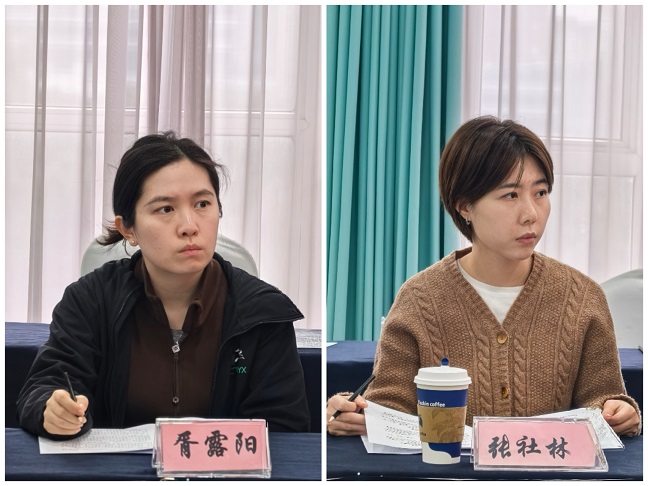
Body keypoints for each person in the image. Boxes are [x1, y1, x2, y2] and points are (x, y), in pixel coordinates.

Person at [327, 116, 641, 438]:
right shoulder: (420, 299)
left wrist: (618, 410)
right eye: (510, 195)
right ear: (465, 206)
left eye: (541, 192)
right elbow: (390, 407)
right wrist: (359, 413)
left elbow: (602, 398)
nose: (531, 214)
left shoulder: (582, 296)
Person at [17, 132, 310, 439]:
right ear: (128, 229)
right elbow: (45, 386)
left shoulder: (264, 312)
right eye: (165, 209)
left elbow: (285, 429)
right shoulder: (89, 300)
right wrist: (53, 409)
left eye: (202, 204)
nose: (189, 226)